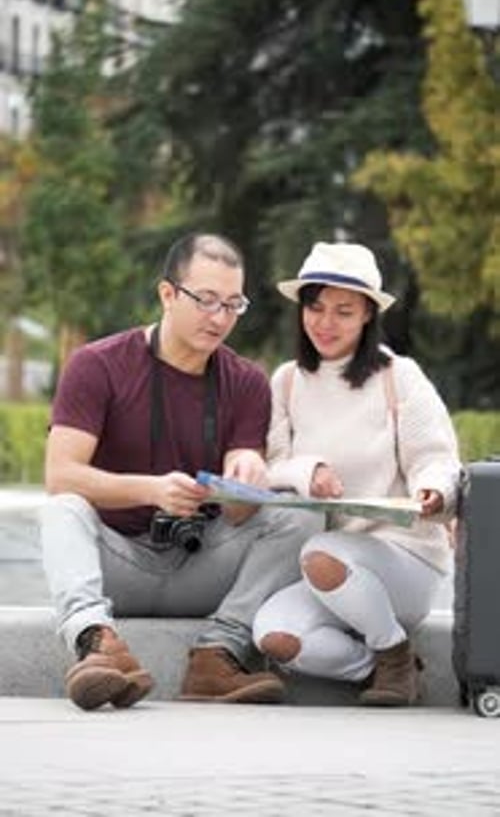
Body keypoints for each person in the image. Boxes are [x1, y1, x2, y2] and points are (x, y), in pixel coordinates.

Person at [39, 233, 321, 711]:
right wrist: (152, 491)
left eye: (234, 304)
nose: (220, 318)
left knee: (303, 515)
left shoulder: (248, 382)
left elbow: (237, 515)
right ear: (167, 294)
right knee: (62, 510)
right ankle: (96, 644)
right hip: (117, 567)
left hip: (201, 565)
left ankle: (218, 654)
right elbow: (60, 475)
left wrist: (247, 479)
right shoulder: (96, 364)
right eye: (206, 300)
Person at [252, 242, 461, 706]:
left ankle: (391, 648)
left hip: (403, 562)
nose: (325, 323)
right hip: (324, 571)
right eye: (316, 307)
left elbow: (437, 458)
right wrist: (310, 470)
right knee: (275, 637)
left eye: (343, 311)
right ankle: (391, 667)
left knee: (321, 553)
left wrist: (433, 493)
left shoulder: (398, 376)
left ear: (368, 314)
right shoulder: (286, 381)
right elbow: (271, 467)